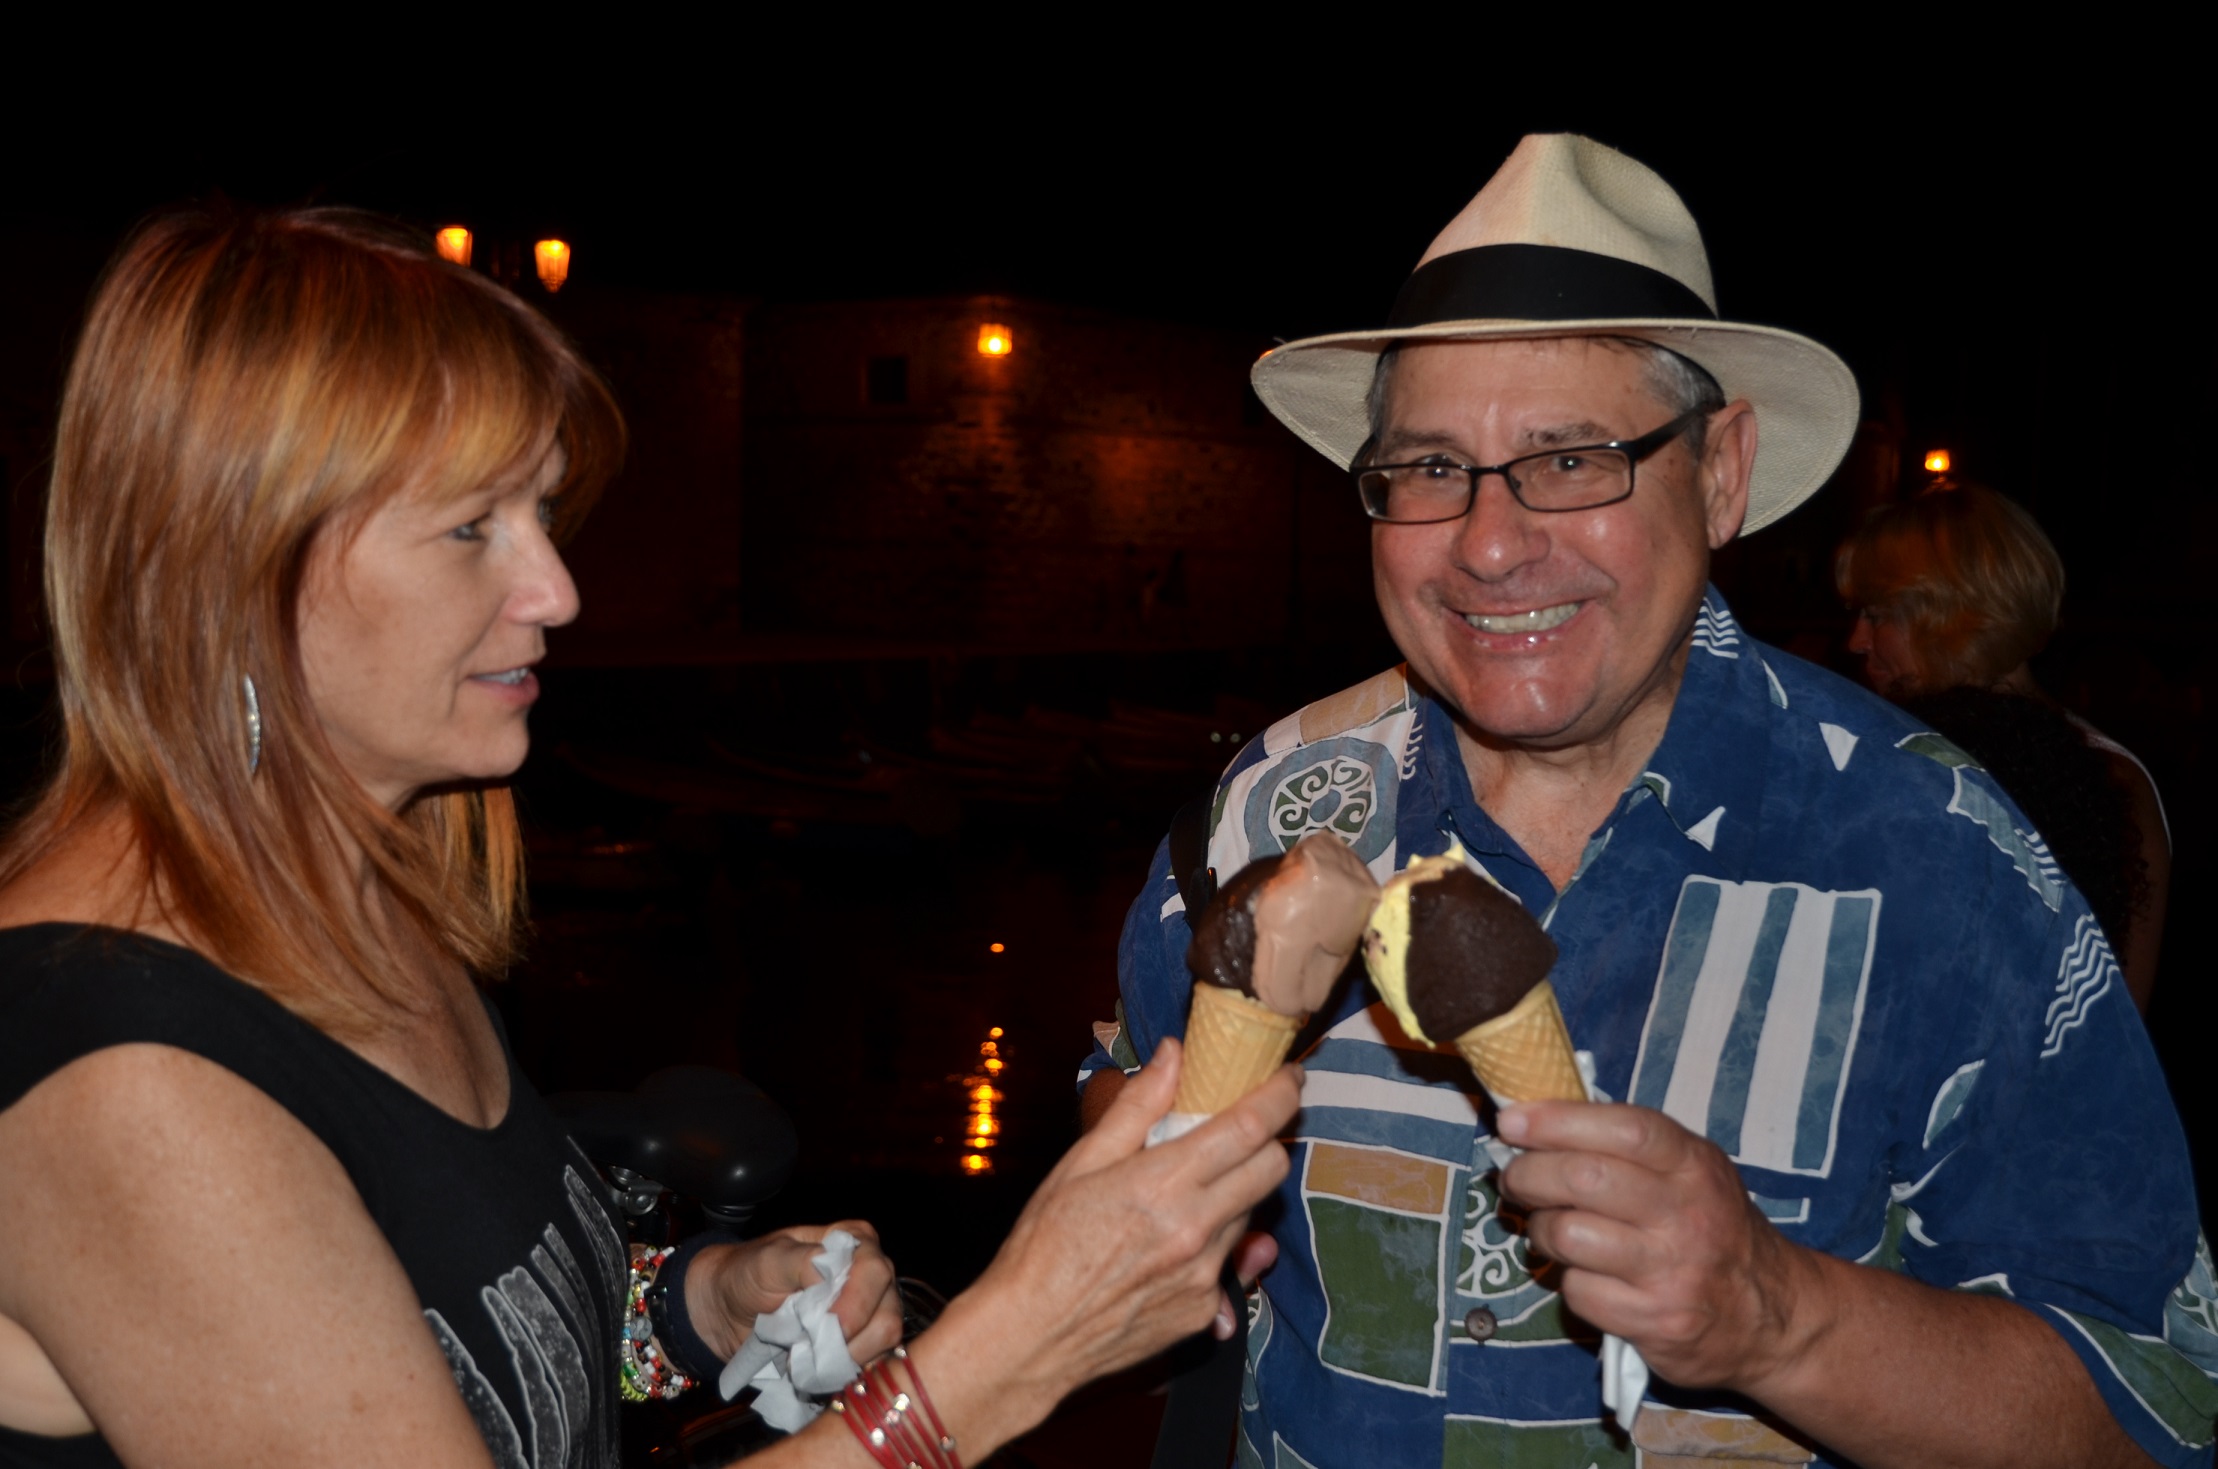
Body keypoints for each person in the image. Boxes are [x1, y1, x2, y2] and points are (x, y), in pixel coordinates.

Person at [0, 205, 1299, 1469]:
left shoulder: (371, 906)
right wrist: (1013, 1349)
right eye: (470, 526)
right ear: (233, 573)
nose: (557, 589)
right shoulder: (122, 1070)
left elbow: (442, 1314)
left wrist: (695, 1304)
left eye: (542, 512)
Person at [1080, 135, 2215, 1467]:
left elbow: (2152, 1409)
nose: (1488, 544)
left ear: (1719, 472)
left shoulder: (1939, 857)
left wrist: (1777, 1316)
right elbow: (1126, 1170)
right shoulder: (1265, 811)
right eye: (1429, 467)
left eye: (1571, 459)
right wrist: (1143, 1206)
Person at [1837, 484, 2170, 1006]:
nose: (1856, 641)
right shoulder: (1893, 746)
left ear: (1956, 617)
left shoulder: (2108, 781)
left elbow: (2114, 1016)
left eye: (1877, 616)